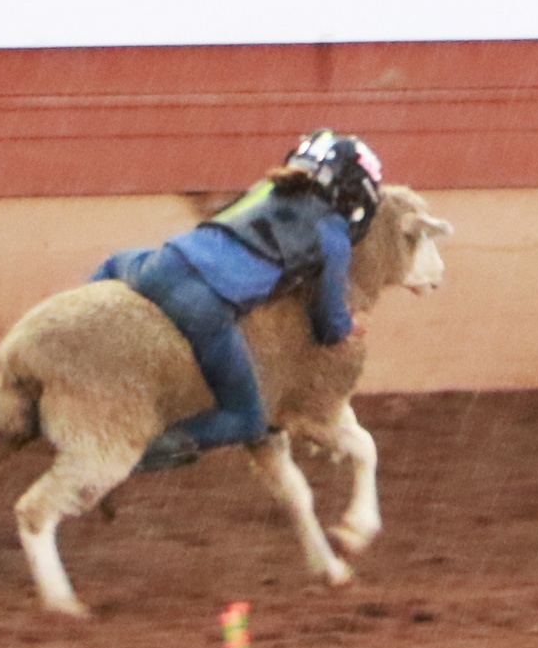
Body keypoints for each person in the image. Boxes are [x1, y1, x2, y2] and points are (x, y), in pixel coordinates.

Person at [92, 129, 383, 471]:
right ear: (351, 192)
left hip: (165, 263)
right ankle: (132, 454)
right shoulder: (333, 236)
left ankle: (68, 333)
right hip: (204, 304)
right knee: (248, 418)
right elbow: (327, 323)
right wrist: (347, 325)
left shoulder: (264, 190)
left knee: (114, 262)